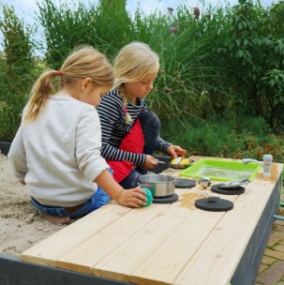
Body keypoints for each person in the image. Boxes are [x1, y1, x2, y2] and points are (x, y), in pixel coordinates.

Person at [8, 45, 147, 225]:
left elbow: (15, 154)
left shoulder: (34, 107)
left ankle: (50, 213)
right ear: (86, 84)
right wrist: (119, 194)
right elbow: (90, 161)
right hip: (76, 204)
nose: (99, 101)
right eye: (101, 94)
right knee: (108, 174)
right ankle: (71, 212)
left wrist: (21, 176)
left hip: (40, 200)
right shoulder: (85, 112)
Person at [96, 42, 184, 189]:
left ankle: (138, 173)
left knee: (150, 120)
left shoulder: (138, 100)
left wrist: (166, 147)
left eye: (152, 81)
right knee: (146, 187)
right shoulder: (111, 100)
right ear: (127, 76)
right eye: (145, 82)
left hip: (128, 159)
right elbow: (100, 148)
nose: (150, 87)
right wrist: (139, 159)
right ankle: (135, 176)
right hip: (108, 165)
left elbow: (145, 133)